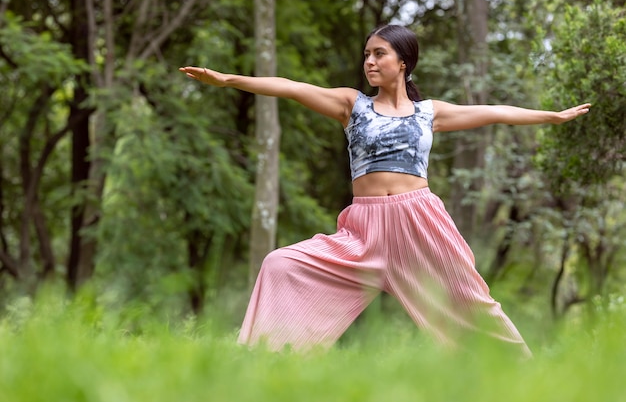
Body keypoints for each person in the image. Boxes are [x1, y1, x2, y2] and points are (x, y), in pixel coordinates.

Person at [179, 24, 590, 357]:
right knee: (280, 264)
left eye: (379, 54)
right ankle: (267, 356)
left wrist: (550, 117)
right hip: (363, 231)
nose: (369, 62)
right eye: (366, 55)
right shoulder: (351, 105)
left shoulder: (430, 112)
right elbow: (290, 86)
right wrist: (228, 79)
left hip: (420, 225)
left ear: (403, 63)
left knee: (469, 299)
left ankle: (519, 372)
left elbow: (495, 113)